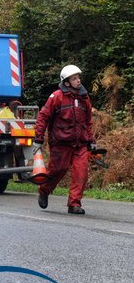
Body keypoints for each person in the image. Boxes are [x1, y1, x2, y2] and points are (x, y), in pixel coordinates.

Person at [34, 65, 95, 214]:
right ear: (66, 82)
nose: (78, 80)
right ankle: (44, 190)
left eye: (78, 77)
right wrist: (38, 138)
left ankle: (74, 204)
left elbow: (88, 121)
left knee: (81, 173)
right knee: (57, 171)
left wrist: (91, 140)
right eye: (74, 78)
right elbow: (43, 117)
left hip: (80, 143)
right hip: (60, 143)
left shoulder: (84, 98)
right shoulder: (56, 97)